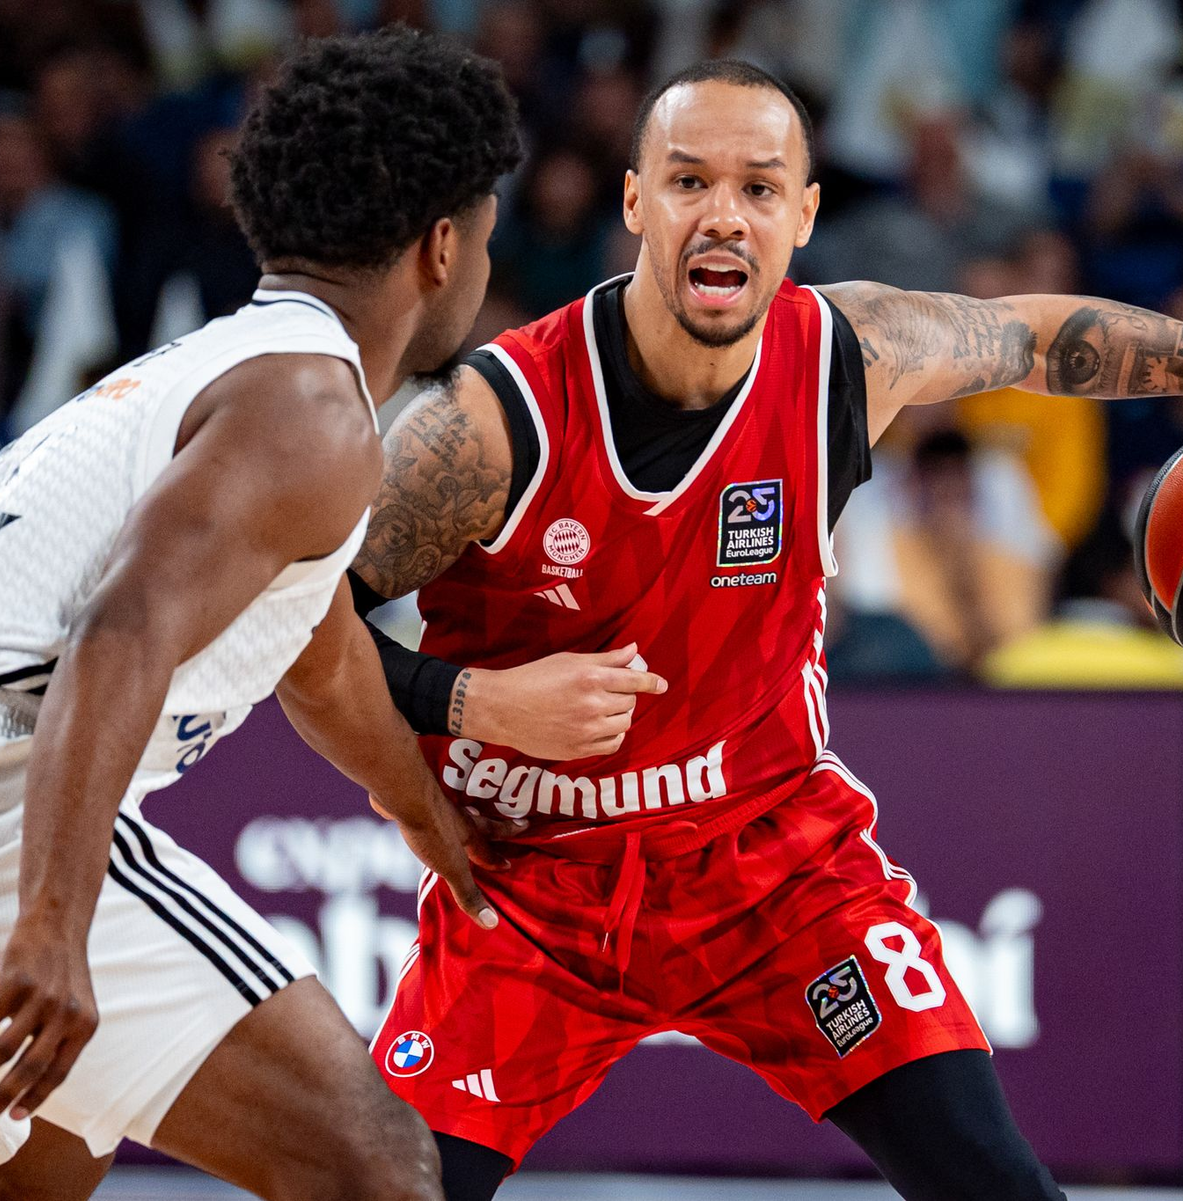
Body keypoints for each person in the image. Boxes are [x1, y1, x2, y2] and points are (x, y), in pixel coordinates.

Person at [349, 59, 1183, 1201]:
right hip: (534, 888)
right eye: (689, 180)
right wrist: (470, 702)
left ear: (804, 213)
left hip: (774, 874)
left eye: (759, 186)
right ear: (635, 200)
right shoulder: (489, 423)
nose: (724, 214)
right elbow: (295, 621)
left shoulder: (847, 354)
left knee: (997, 1185)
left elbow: (1029, 338)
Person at [0, 27, 520, 1201]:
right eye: (486, 234)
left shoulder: (239, 375)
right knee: (379, 1171)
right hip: (3, 807)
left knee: (49, 1161)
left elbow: (320, 657)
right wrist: (54, 924)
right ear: (443, 247)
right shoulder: (311, 414)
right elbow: (120, 634)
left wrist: (428, 816)